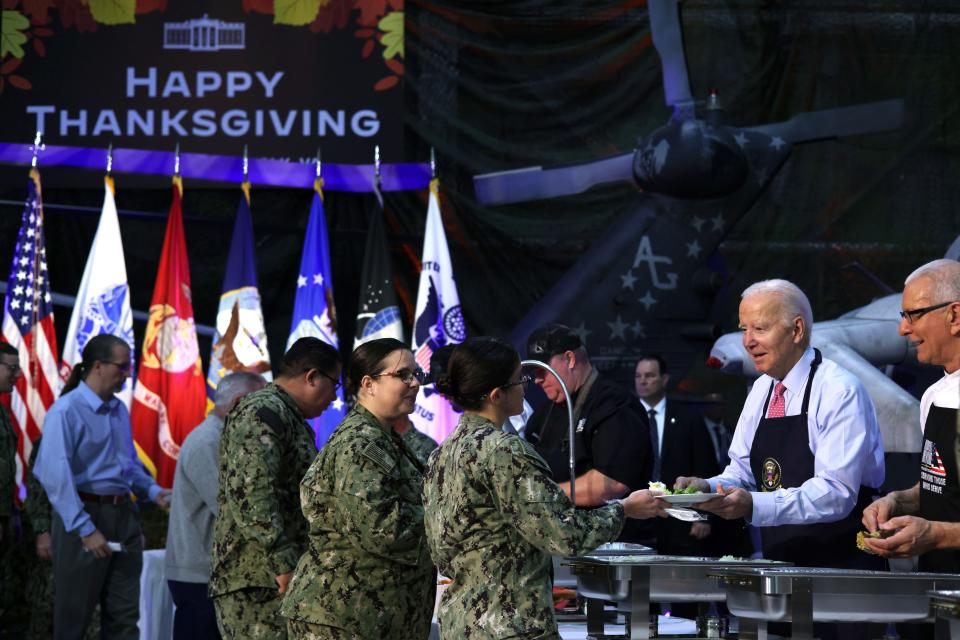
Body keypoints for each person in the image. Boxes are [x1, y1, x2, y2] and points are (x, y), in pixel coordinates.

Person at [423, 337, 668, 639]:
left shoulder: (440, 455)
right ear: (496, 395)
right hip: (510, 624)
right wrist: (625, 509)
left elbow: (439, 548)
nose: (527, 387)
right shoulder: (506, 452)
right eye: (519, 381)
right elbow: (566, 534)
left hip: (460, 623)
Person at [676, 279, 885, 568]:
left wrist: (754, 504)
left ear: (796, 330)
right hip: (782, 564)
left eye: (760, 328)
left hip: (841, 568)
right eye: (744, 329)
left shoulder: (839, 390)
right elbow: (741, 472)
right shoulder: (762, 390)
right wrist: (707, 487)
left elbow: (837, 494)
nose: (748, 341)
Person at [280, 338, 436, 639]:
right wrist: (453, 525)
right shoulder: (359, 444)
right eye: (403, 374)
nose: (415, 383)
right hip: (344, 616)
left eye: (416, 374)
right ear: (369, 384)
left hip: (369, 615)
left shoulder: (382, 438)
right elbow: (382, 528)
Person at [34, 334, 172, 639]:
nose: (127, 374)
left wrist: (153, 491)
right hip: (84, 516)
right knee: (73, 618)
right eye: (122, 367)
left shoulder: (118, 410)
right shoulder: (66, 411)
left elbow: (127, 465)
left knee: (124, 616)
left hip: (123, 514)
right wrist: (85, 529)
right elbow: (55, 477)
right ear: (98, 366)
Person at [210, 337, 341, 640]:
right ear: (312, 377)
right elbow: (251, 494)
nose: (334, 397)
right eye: (334, 384)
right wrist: (282, 560)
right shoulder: (263, 412)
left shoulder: (286, 415)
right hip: (257, 579)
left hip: (275, 577)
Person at [863, 259, 960, 567]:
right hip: (938, 592)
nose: (903, 328)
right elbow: (941, 485)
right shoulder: (934, 396)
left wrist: (936, 534)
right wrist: (898, 500)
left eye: (914, 314)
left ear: (955, 316)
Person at [524, 324, 653, 543]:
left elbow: (611, 484)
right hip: (558, 542)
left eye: (542, 371)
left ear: (569, 359)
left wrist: (538, 495)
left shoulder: (616, 405)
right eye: (533, 373)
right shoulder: (542, 416)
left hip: (612, 546)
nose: (537, 380)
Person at [166, 372, 266, 640]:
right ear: (239, 401)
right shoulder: (208, 442)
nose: (265, 412)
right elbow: (229, 507)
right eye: (261, 403)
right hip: (199, 574)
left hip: (211, 572)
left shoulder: (225, 438)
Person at [635, 354, 718, 556]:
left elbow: (705, 466)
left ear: (664, 379)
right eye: (638, 376)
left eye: (649, 375)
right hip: (636, 518)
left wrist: (703, 515)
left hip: (681, 520)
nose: (643, 381)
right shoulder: (625, 417)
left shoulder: (688, 418)